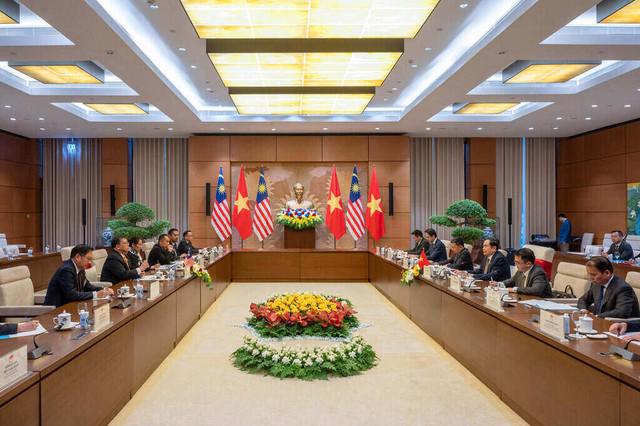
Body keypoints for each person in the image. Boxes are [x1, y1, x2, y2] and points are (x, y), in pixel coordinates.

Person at [44, 244, 114, 307]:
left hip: (72, 305)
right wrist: (96, 294)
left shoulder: (80, 268)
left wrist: (104, 290)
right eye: (88, 259)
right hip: (58, 310)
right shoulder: (66, 270)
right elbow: (72, 295)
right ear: (77, 257)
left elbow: (87, 286)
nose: (90, 262)